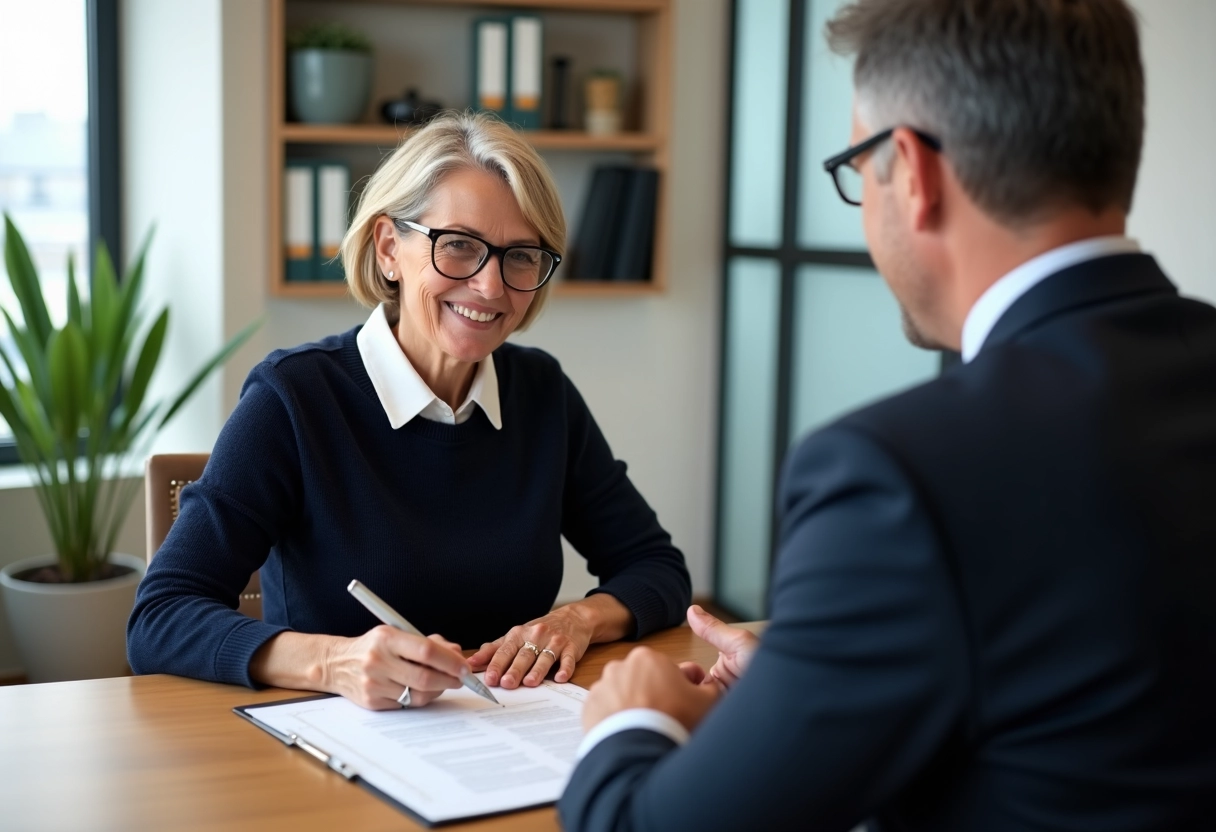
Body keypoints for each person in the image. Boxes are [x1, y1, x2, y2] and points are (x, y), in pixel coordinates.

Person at [559, 1, 1216, 829]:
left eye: (857, 165)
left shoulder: (900, 473)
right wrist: (809, 684)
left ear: (911, 171)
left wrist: (629, 720)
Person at [127, 112, 691, 710]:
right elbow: (160, 618)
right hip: (332, 748)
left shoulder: (542, 392)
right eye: (459, 246)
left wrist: (576, 619)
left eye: (520, 256)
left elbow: (656, 567)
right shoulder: (292, 398)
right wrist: (334, 661)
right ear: (389, 247)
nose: (491, 287)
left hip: (505, 737)